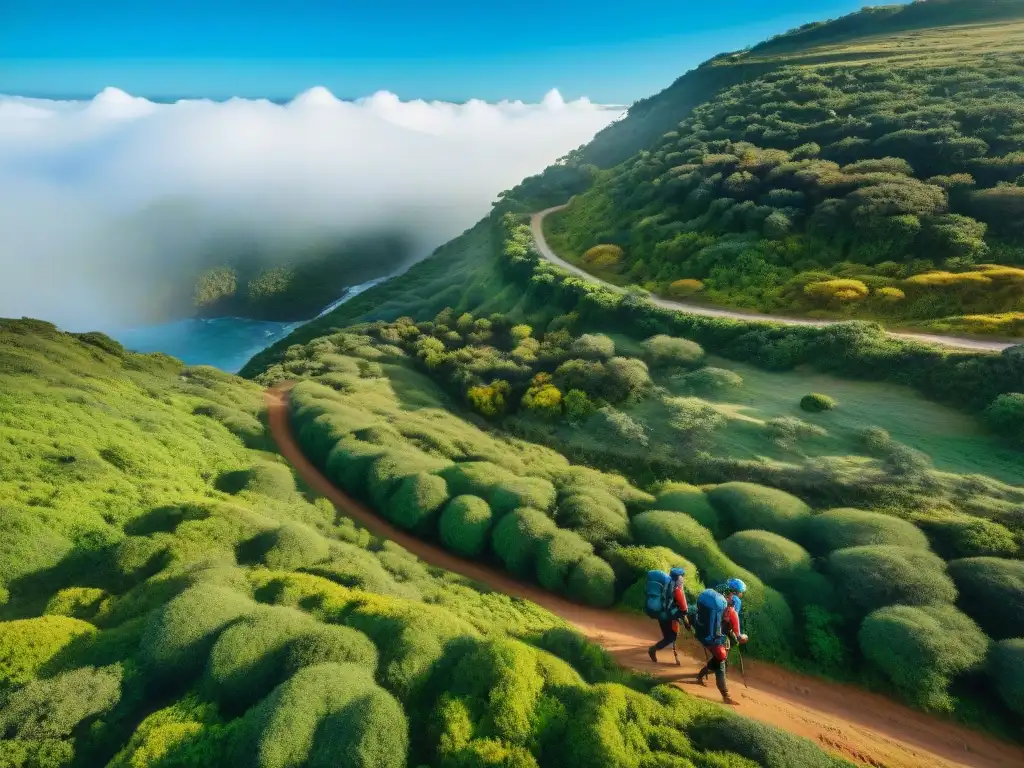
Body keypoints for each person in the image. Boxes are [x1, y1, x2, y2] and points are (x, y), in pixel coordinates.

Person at [693, 578, 748, 704]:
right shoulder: (734, 606)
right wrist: (740, 637)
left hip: (703, 632)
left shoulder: (712, 596)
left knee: (718, 661)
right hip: (718, 637)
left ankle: (700, 675)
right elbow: (733, 627)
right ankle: (726, 696)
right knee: (721, 663)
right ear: (734, 593)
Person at [647, 566, 690, 663]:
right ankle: (653, 649)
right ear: (680, 578)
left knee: (668, 636)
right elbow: (684, 610)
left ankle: (654, 649)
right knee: (671, 638)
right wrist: (687, 624)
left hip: (660, 612)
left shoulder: (666, 584)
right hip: (667, 616)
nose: (683, 578)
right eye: (682, 576)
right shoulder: (678, 590)